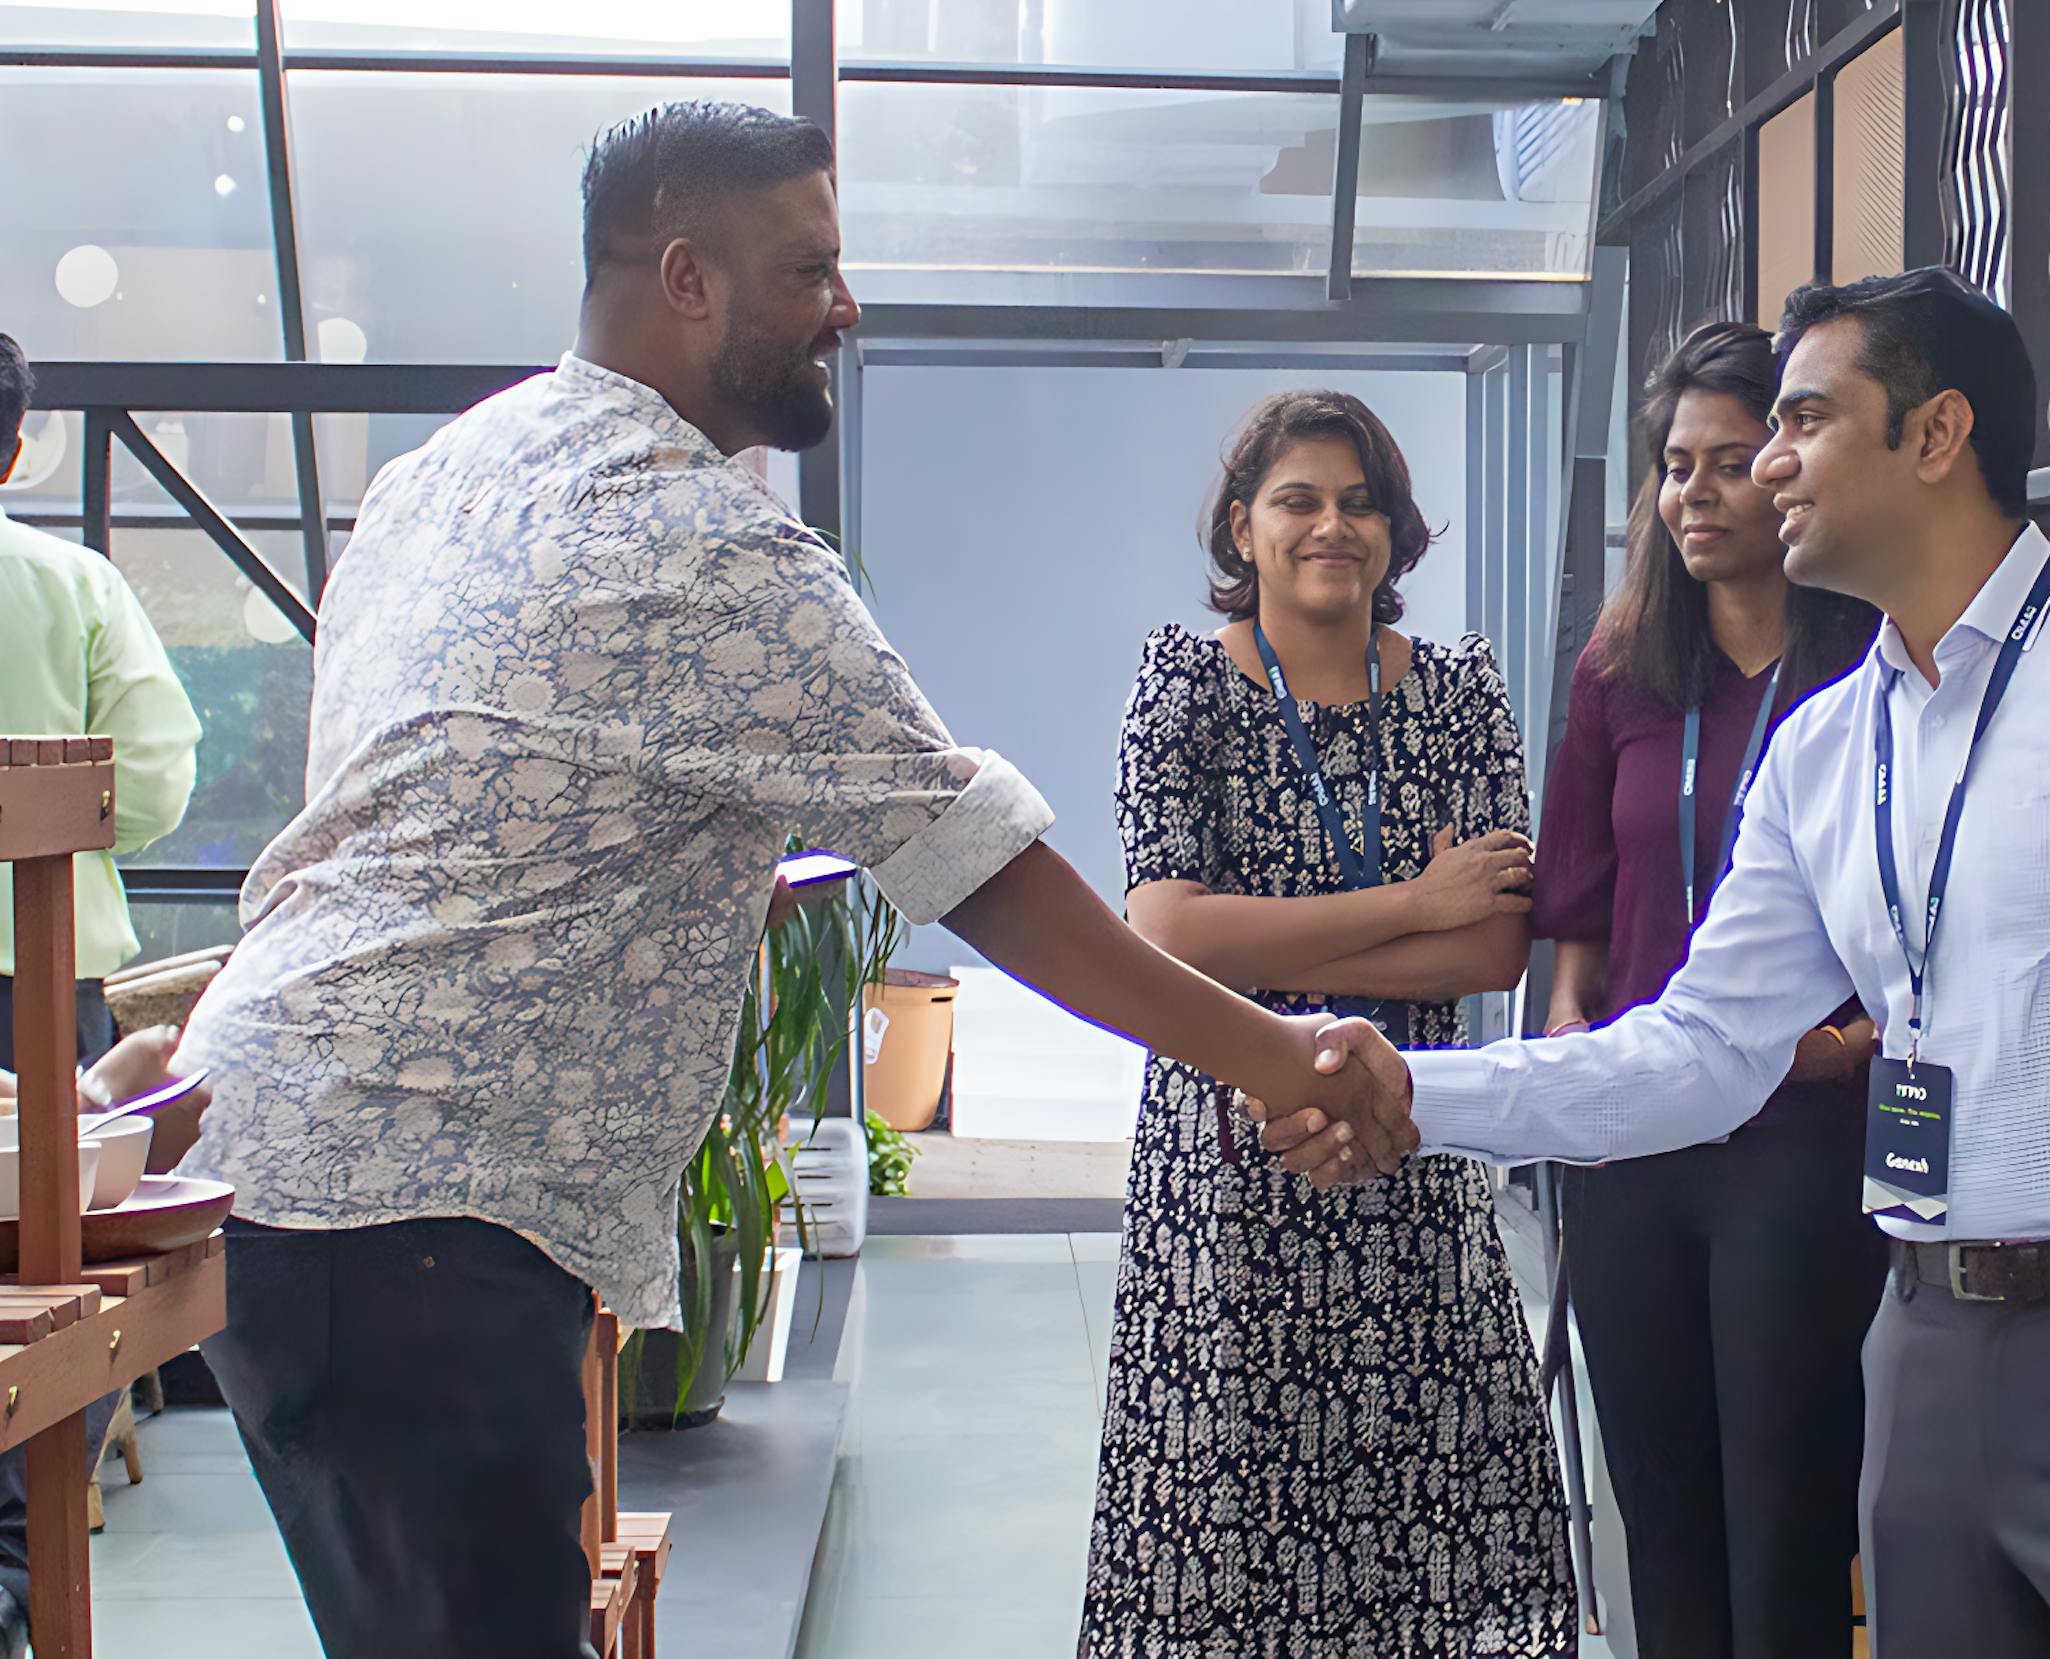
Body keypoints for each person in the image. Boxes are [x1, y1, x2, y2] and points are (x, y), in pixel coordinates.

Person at [171, 102, 1390, 1659]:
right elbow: (980, 869)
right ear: (687, 278)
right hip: (418, 1214)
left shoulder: (442, 474)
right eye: (811, 267)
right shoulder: (712, 548)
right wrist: (1281, 1051)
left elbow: (446, 786)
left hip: (273, 1170)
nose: (847, 302)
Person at [1263, 268, 2050, 1656]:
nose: (1770, 462)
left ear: (1936, 436)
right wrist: (1417, 1092)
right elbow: (1698, 1050)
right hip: (1919, 1337)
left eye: (1804, 419)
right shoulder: (1825, 750)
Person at [1079, 389, 1572, 1655]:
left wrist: (1273, 926)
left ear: (1397, 535)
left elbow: (1497, 941)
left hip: (1413, 1147)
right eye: (1297, 500)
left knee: (1429, 1520)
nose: (1330, 526)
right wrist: (1410, 902)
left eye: (1360, 503)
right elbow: (1169, 934)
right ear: (1243, 528)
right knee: (1227, 1524)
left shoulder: (1462, 691)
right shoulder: (1183, 684)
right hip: (1230, 1164)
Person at [1533, 320, 1887, 1658]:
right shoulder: (1618, 671)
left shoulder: (1868, 668)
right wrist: (1572, 1025)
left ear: (1790, 470)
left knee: (1788, 1504)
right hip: (1639, 1135)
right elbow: (1576, 901)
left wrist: (1852, 1037)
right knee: (1662, 1506)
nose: (1696, 492)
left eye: (1731, 461)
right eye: (1676, 466)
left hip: (1805, 1140)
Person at [0, 326, 203, 1655]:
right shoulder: (66, 584)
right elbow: (160, 786)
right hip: (36, 985)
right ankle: (18, 1574)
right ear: (15, 444)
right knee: (45, 1295)